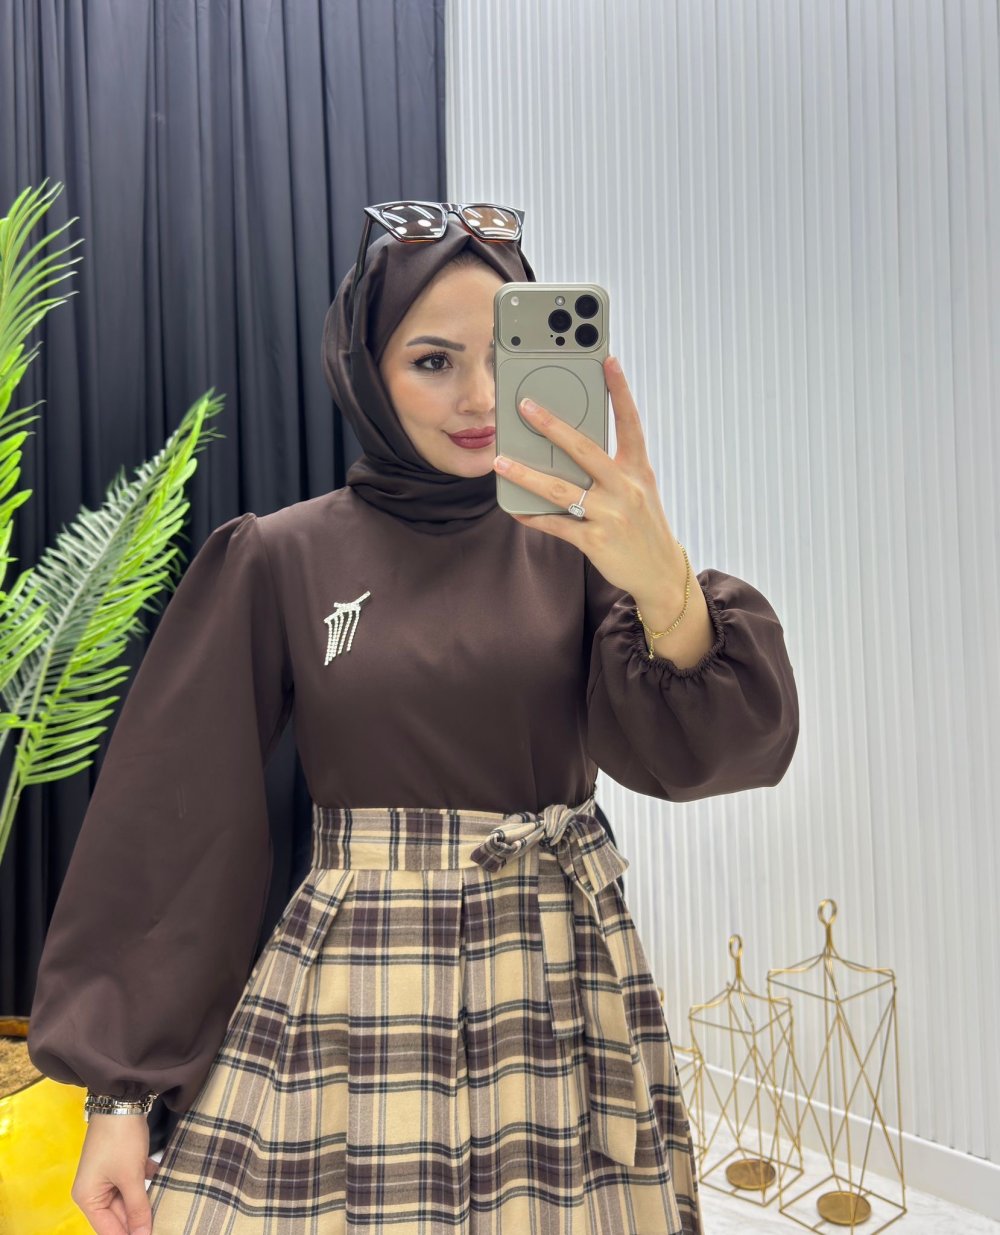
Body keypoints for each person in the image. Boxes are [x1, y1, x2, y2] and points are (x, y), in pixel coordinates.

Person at [27, 202, 799, 1235]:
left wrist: (665, 584)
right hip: (359, 998)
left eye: (503, 358)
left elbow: (710, 754)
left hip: (556, 983)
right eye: (434, 360)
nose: (478, 397)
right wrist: (119, 1101)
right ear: (366, 369)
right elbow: (175, 821)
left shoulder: (582, 552)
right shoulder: (282, 557)